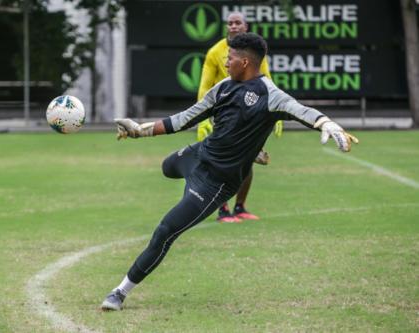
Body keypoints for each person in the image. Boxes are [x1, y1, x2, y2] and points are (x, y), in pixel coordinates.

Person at [101, 33, 358, 311]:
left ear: (245, 61)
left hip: (215, 184)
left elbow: (301, 110)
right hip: (200, 154)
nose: (226, 62)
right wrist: (140, 130)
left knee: (165, 231)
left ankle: (119, 292)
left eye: (231, 58)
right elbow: (185, 118)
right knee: (167, 167)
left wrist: (326, 123)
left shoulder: (270, 95)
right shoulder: (223, 87)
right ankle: (250, 150)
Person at [197, 12, 283, 223]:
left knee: (247, 162)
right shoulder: (215, 52)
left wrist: (277, 112)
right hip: (224, 112)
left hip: (249, 113)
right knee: (224, 163)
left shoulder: (255, 53)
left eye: (238, 23)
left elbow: (268, 80)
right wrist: (202, 118)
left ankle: (240, 206)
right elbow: (204, 86)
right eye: (230, 23)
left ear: (246, 26)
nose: (233, 26)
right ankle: (222, 210)